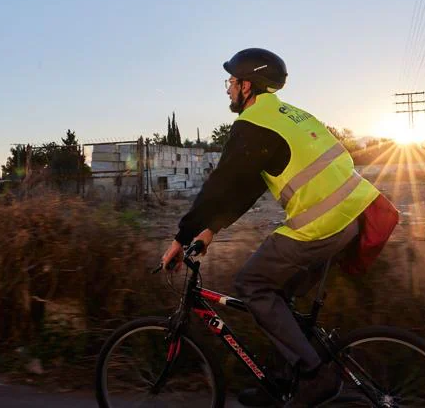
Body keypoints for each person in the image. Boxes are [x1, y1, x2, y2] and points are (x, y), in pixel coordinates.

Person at [161, 48, 383, 407]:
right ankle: (280, 381)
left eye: (232, 81)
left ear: (247, 86)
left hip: (320, 225)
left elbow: (220, 185)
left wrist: (181, 237)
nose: (228, 89)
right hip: (354, 217)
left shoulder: (252, 125)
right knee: (280, 300)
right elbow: (248, 187)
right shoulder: (291, 115)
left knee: (253, 285)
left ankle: (314, 376)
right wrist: (211, 230)